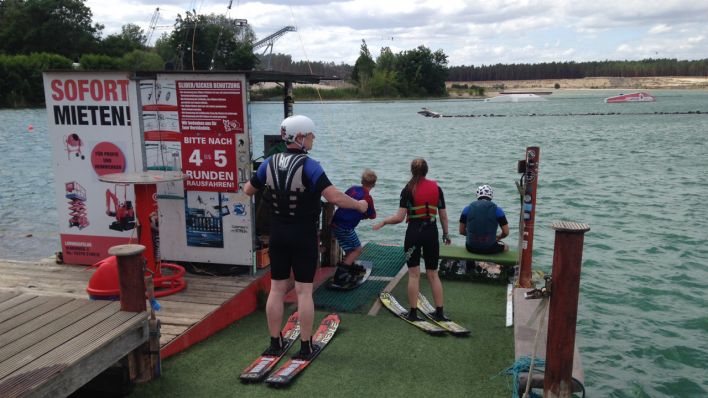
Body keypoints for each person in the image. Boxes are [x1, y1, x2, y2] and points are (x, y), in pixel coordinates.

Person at [243, 115, 368, 360]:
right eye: (310, 135)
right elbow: (334, 197)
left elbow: (248, 190)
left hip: (277, 235)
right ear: (299, 137)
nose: (313, 139)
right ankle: (305, 346)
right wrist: (359, 204)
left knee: (277, 289)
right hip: (303, 236)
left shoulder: (268, 163)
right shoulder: (310, 166)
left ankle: (275, 343)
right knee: (303, 291)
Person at [373, 158, 451, 321]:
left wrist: (385, 221)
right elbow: (443, 216)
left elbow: (400, 217)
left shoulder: (407, 190)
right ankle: (440, 313)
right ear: (426, 171)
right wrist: (446, 234)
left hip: (414, 233)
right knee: (433, 274)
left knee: (414, 274)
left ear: (412, 171)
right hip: (431, 233)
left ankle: (413, 313)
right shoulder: (437, 188)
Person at [330, 169, 377, 286]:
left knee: (350, 248)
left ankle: (348, 264)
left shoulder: (352, 189)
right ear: (374, 184)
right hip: (345, 226)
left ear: (361, 181)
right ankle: (341, 275)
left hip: (336, 223)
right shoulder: (367, 198)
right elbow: (372, 215)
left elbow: (343, 200)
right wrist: (364, 214)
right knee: (357, 249)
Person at [459, 184, 509, 254]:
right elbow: (506, 232)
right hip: (490, 248)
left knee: (468, 244)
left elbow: (461, 231)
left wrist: (474, 236)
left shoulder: (467, 209)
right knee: (506, 246)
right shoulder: (497, 210)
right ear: (491, 196)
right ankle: (494, 264)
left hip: (470, 248)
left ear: (477, 195)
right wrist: (498, 237)